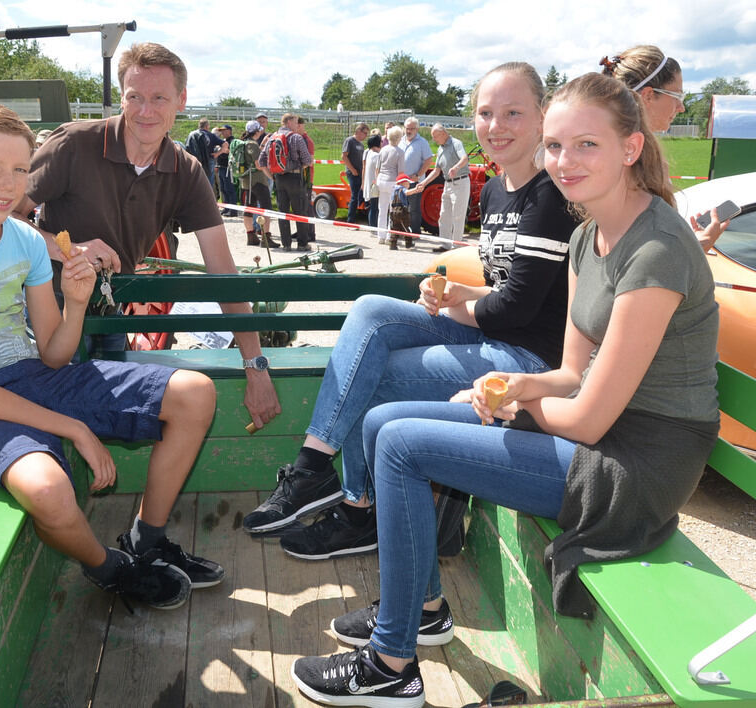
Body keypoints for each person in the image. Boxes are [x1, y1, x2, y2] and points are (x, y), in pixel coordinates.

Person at [290, 70, 719, 707]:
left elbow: (591, 419)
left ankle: (389, 662)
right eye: (555, 146)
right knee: (382, 425)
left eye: (586, 146)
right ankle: (427, 608)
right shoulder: (585, 237)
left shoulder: (656, 250)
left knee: (405, 445)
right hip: (595, 423)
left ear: (631, 148)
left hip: (635, 463)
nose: (564, 163)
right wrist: (514, 383)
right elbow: (571, 373)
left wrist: (516, 399)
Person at [0, 102, 227, 611]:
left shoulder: (26, 240)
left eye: (20, 170)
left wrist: (74, 305)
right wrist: (74, 428)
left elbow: (52, 356)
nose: (7, 184)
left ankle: (147, 538)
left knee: (194, 393)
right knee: (49, 492)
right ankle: (113, 569)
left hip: (37, 379)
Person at [243, 63, 577, 568]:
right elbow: (504, 285)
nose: (496, 125)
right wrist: (456, 292)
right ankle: (316, 467)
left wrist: (455, 305)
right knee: (371, 309)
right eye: (486, 113)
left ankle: (356, 510)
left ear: (541, 117)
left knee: (375, 376)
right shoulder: (493, 190)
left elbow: (518, 308)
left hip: (524, 361)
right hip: (493, 335)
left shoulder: (550, 195)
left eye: (513, 112)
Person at [13, 43, 280, 430]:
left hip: (110, 312)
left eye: (159, 98)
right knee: (57, 427)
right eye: (134, 97)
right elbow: (2, 217)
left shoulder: (186, 172)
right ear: (121, 97)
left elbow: (223, 273)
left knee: (127, 422)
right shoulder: (74, 143)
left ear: (181, 101)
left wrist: (255, 367)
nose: (145, 111)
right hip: (48, 311)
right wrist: (64, 249)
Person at [600, 45, 731, 251]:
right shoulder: (633, 161)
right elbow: (638, 254)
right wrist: (696, 246)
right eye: (678, 96)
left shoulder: (609, 151)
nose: (682, 107)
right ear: (648, 95)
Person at [406, 123, 470, 247]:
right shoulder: (441, 148)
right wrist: (423, 183)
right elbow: (436, 171)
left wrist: (456, 168)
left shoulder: (456, 143)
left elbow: (465, 158)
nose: (434, 139)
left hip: (460, 182)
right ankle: (445, 245)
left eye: (435, 136)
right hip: (448, 184)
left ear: (443, 133)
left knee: (458, 216)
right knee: (444, 215)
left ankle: (457, 247)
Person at [258, 112, 313, 251]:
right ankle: (302, 244)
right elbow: (308, 160)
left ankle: (286, 244)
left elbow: (261, 161)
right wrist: (300, 167)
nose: (297, 125)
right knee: (300, 211)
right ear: (289, 122)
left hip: (279, 179)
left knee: (283, 212)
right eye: (295, 122)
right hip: (294, 178)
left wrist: (272, 177)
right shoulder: (296, 137)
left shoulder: (271, 138)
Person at [238, 120, 279, 247]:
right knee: (266, 208)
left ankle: (251, 236)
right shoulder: (252, 145)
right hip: (258, 181)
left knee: (249, 208)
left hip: (246, 181)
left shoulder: (244, 143)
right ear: (256, 131)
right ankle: (266, 238)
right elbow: (258, 164)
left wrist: (262, 144)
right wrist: (271, 176)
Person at [399, 117, 434, 234]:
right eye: (407, 128)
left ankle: (415, 233)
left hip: (415, 182)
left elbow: (428, 160)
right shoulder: (400, 140)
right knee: (399, 208)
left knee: (414, 209)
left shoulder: (422, 142)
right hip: (400, 182)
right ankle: (401, 231)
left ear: (417, 129)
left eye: (411, 129)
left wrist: (418, 175)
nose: (408, 131)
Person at [373, 125, 405, 245]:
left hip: (381, 180)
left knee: (382, 209)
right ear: (399, 138)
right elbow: (401, 172)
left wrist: (377, 180)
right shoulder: (400, 152)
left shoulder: (383, 149)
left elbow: (377, 168)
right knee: (393, 211)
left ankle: (380, 236)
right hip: (392, 182)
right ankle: (389, 236)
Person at [341, 122, 369, 223]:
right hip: (353, 173)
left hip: (360, 173)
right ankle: (350, 220)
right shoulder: (350, 141)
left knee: (361, 194)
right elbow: (344, 156)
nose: (366, 136)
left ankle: (360, 213)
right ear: (358, 131)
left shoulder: (361, 144)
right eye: (365, 133)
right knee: (355, 195)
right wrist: (352, 170)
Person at [295, 116, 317, 241]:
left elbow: (310, 161)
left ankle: (310, 233)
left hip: (306, 178)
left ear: (300, 126)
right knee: (299, 206)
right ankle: (301, 230)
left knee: (307, 206)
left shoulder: (307, 141)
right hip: (299, 177)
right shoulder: (297, 138)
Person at [362, 134, 383, 228]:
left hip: (369, 184)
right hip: (374, 184)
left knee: (372, 207)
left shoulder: (369, 153)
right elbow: (379, 169)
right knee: (374, 208)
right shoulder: (376, 155)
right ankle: (373, 226)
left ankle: (372, 226)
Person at [215, 124, 238, 210]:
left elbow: (232, 153)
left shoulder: (232, 141)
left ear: (229, 131)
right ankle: (226, 208)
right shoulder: (223, 141)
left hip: (228, 168)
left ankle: (232, 209)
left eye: (224, 130)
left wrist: (225, 150)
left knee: (229, 189)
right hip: (222, 167)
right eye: (221, 131)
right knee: (223, 189)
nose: (222, 132)